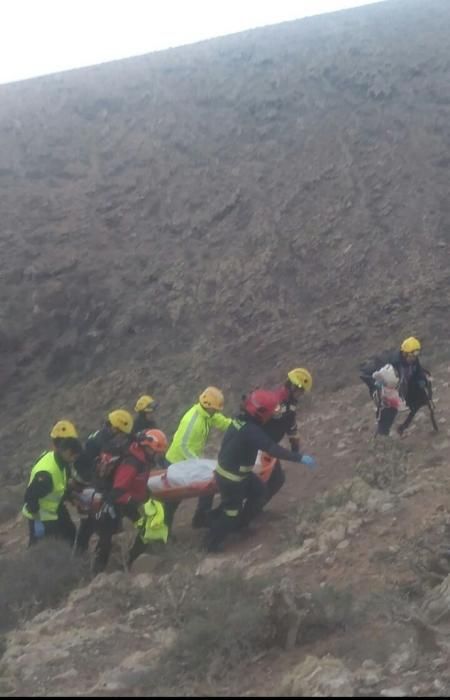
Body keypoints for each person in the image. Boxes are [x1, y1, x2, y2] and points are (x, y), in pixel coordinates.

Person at [205, 390, 316, 553]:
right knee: (231, 512)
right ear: (260, 413)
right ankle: (211, 544)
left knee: (260, 492)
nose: (271, 417)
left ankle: (240, 525)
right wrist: (298, 457)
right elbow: (272, 449)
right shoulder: (251, 431)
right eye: (270, 413)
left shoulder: (241, 420)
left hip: (238, 473)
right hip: (232, 479)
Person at [87, 428, 168, 574]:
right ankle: (97, 574)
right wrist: (135, 503)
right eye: (158, 451)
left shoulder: (144, 459)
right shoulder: (132, 463)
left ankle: (133, 561)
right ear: (148, 447)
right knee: (106, 540)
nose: (159, 455)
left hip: (128, 500)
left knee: (147, 526)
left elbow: (139, 482)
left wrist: (145, 497)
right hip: (115, 502)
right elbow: (118, 491)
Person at [164, 387, 232, 531]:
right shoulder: (193, 421)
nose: (217, 411)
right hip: (176, 462)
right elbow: (183, 445)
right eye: (216, 409)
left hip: (188, 460)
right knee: (172, 501)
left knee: (208, 487)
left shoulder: (208, 414)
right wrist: (197, 463)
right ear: (208, 407)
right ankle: (163, 532)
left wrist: (237, 426)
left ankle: (200, 519)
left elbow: (222, 421)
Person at [75, 410, 134, 558]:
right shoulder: (99, 443)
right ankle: (83, 555)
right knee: (90, 523)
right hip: (89, 486)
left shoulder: (105, 437)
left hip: (95, 484)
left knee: (99, 523)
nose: (123, 437)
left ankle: (86, 553)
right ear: (115, 428)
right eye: (122, 433)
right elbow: (90, 467)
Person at [23, 420, 82, 547]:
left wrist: (72, 498)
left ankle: (66, 561)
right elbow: (30, 497)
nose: (73, 461)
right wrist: (37, 520)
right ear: (66, 451)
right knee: (41, 547)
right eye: (73, 457)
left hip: (55, 509)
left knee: (70, 533)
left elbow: (60, 487)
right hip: (41, 515)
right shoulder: (46, 474)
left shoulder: (63, 463)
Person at [360, 336, 432, 436]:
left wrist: (421, 380)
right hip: (385, 389)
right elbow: (365, 373)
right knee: (389, 407)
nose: (414, 358)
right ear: (405, 353)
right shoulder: (389, 361)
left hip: (402, 387)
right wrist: (376, 386)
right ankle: (382, 435)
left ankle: (403, 427)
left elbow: (418, 372)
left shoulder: (414, 361)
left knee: (420, 398)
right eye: (412, 355)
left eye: (416, 355)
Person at [262, 367, 313, 505]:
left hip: (269, 446)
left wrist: (295, 445)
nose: (301, 394)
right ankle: (248, 510)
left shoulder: (291, 403)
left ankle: (254, 508)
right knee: (264, 480)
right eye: (301, 391)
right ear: (293, 386)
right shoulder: (277, 400)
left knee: (277, 480)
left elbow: (290, 424)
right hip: (260, 446)